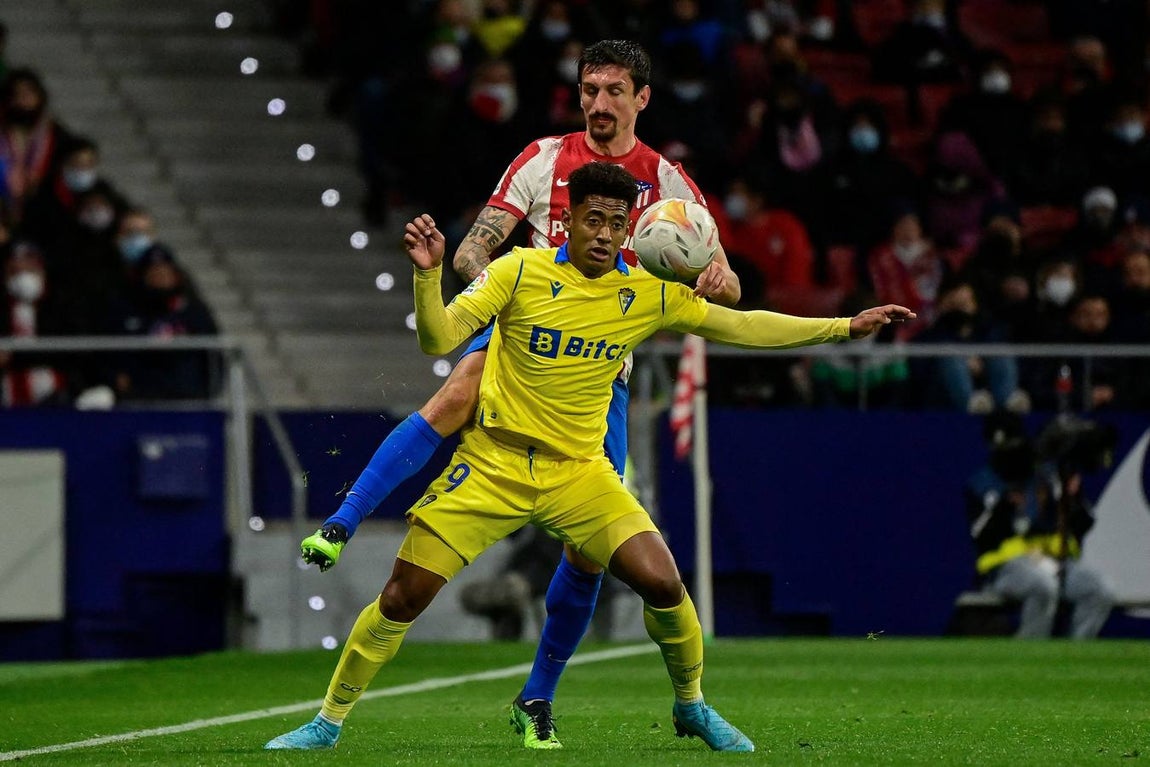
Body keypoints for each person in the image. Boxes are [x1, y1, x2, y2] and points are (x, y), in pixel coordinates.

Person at [265, 161, 913, 752]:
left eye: (617, 223)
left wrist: (841, 326)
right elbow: (438, 336)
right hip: (494, 464)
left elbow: (742, 325)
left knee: (662, 580)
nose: (605, 234)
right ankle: (327, 720)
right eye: (594, 219)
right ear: (568, 219)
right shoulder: (520, 270)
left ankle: (690, 704)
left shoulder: (647, 291)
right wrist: (427, 273)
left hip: (580, 473)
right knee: (404, 595)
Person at [297, 39, 743, 750]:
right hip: (521, 331)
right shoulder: (541, 159)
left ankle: (537, 697)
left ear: (642, 98)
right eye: (588, 89)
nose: (598, 103)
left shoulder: (668, 184)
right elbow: (478, 244)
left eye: (613, 91)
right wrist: (505, 285)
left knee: (591, 555)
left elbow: (726, 281)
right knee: (453, 395)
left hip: (601, 373)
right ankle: (343, 522)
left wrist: (718, 282)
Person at [965, 413, 1114, 639]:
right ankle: (1028, 660)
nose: (1009, 452)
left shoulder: (1047, 475)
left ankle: (1074, 658)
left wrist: (1071, 499)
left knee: (1100, 591)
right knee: (1043, 587)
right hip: (1007, 569)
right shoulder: (982, 484)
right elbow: (981, 535)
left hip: (1054, 563)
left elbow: (1084, 524)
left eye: (1014, 444)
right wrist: (1004, 506)